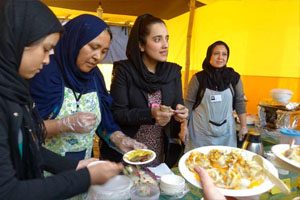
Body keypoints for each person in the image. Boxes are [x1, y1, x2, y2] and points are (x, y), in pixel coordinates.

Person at [0, 0, 123, 199]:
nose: (48, 58)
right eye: (46, 48)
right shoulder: (39, 77)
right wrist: (64, 125)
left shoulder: (15, 90)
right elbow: (8, 191)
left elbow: (29, 144)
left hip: (63, 177)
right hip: (46, 185)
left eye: (104, 51)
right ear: (17, 41)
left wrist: (77, 166)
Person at [29, 14, 146, 164]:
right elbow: (27, 129)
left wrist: (119, 138)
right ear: (75, 40)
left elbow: (104, 118)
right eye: (93, 47)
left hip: (82, 168)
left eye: (104, 51)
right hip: (44, 171)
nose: (98, 57)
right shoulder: (44, 73)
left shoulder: (95, 77)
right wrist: (64, 124)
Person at [100, 14, 189, 166]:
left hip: (158, 150)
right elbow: (118, 113)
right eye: (157, 39)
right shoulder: (124, 71)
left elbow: (178, 104)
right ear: (141, 45)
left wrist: (181, 113)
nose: (165, 45)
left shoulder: (172, 72)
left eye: (167, 38)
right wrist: (151, 114)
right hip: (127, 150)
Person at [184, 41, 247, 150]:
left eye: (224, 54)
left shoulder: (234, 78)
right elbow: (188, 104)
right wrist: (183, 127)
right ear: (209, 56)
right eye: (216, 53)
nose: (220, 57)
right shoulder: (198, 78)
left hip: (226, 133)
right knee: (198, 162)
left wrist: (244, 126)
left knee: (225, 161)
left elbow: (240, 102)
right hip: (200, 133)